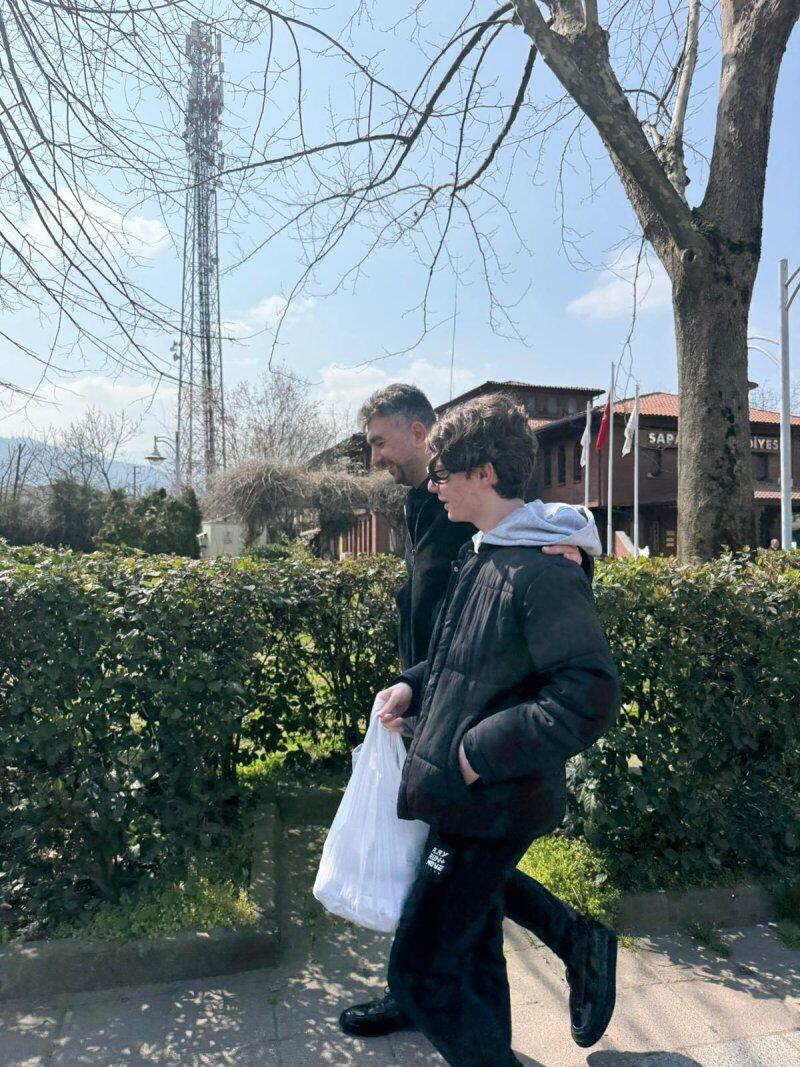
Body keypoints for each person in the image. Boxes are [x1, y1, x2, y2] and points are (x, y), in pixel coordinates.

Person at [339, 388, 620, 1062]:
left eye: (444, 473)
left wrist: (473, 754)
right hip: (466, 796)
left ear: (484, 473)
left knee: (424, 971)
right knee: (472, 956)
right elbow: (463, 655)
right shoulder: (485, 554)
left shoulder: (540, 569)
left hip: (488, 798)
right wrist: (413, 684)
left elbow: (589, 693)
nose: (435, 486)